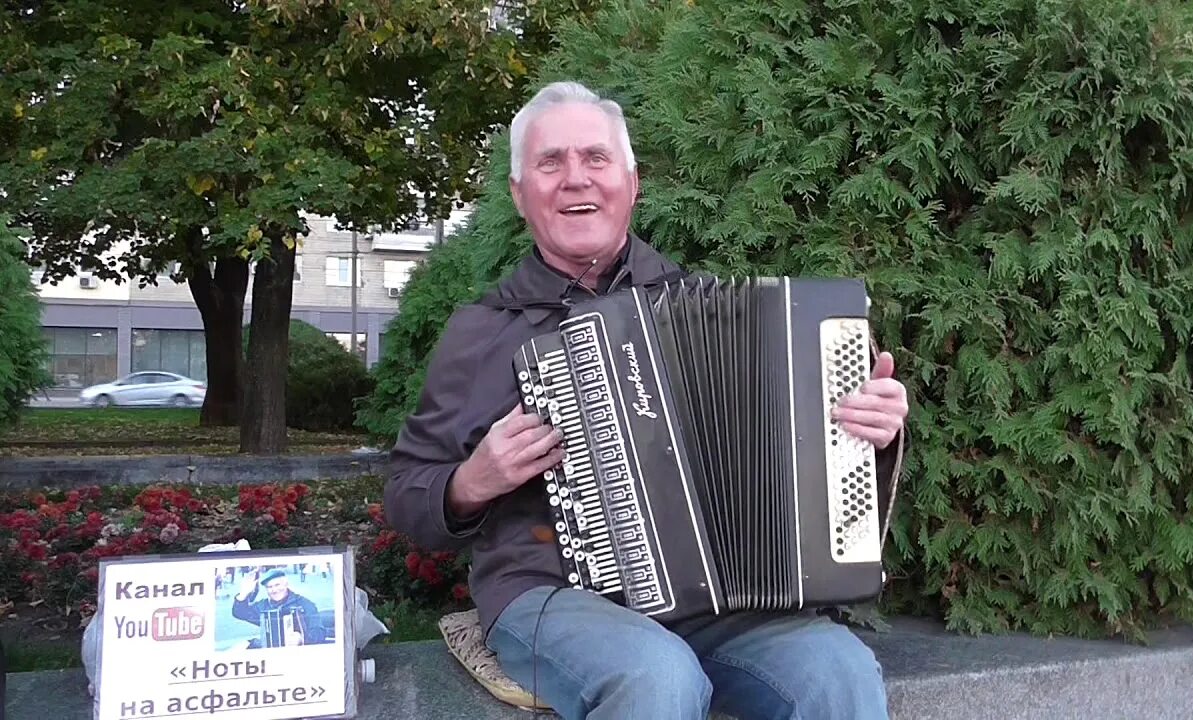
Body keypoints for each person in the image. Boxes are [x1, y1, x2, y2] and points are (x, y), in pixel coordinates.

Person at [385, 81, 910, 719]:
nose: (576, 179)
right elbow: (408, 492)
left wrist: (868, 432)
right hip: (547, 594)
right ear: (521, 195)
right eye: (550, 163)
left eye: (596, 159)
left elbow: (799, 464)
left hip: (715, 602)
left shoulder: (715, 315)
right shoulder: (482, 331)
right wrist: (471, 481)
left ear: (632, 184)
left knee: (839, 671)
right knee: (657, 676)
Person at [231, 568, 325, 648]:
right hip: (269, 650)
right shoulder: (263, 605)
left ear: (286, 584)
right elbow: (240, 613)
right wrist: (243, 593)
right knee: (240, 647)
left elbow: (319, 632)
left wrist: (302, 638)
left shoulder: (305, 604)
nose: (274, 590)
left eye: (277, 585)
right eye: (269, 587)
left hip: (298, 652)